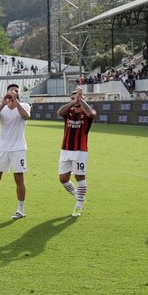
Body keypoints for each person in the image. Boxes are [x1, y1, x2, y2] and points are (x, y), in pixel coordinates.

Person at [0, 83, 31, 220]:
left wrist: (16, 101)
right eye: (11, 91)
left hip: (18, 147)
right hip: (3, 147)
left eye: (16, 91)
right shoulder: (2, 107)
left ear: (18, 93)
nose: (13, 93)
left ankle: (20, 209)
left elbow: (25, 116)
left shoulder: (24, 105)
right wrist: (2, 104)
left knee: (18, 178)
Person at [56, 87, 95, 217]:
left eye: (77, 97)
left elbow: (91, 114)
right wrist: (74, 101)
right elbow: (59, 112)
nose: (75, 99)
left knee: (79, 177)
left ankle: (78, 206)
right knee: (63, 179)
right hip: (65, 150)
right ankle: (80, 197)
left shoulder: (87, 112)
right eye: (72, 98)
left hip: (80, 151)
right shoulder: (69, 112)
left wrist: (81, 99)